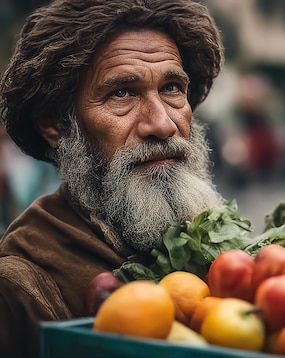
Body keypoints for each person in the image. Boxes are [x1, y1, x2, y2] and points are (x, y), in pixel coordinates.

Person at [0, 1, 224, 357]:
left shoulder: (218, 246)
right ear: (56, 126)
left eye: (171, 88)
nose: (163, 124)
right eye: (122, 93)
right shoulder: (20, 287)